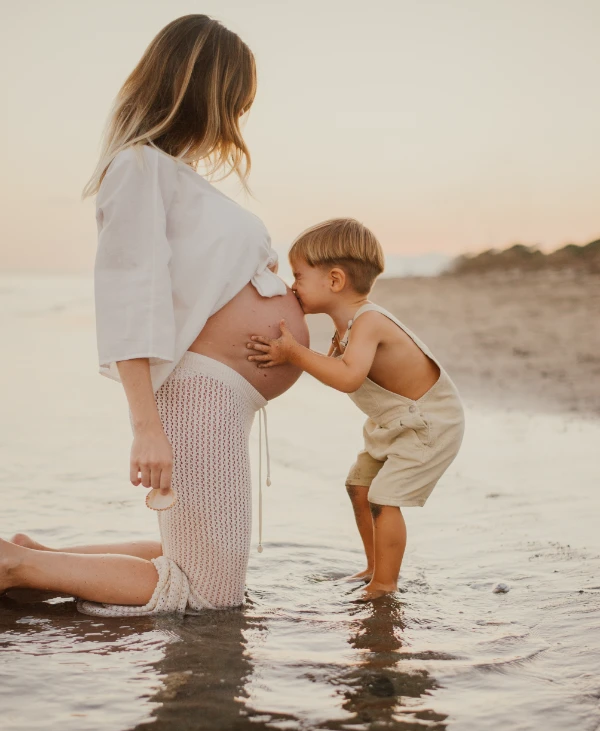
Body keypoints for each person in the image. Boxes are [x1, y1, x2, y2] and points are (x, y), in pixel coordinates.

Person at [0, 15, 309, 614]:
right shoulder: (138, 168)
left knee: (192, 559)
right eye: (235, 100)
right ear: (203, 90)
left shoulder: (176, 177)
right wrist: (146, 426)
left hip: (221, 397)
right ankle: (20, 566)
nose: (237, 117)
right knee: (207, 594)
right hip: (199, 393)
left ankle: (30, 557)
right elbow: (128, 296)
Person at [247, 218, 465, 599]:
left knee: (384, 497)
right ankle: (373, 566)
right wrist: (294, 357)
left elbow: (347, 378)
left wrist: (295, 353)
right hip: (393, 423)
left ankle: (386, 584)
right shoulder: (345, 329)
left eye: (298, 275)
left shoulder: (370, 322)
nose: (292, 286)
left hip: (428, 424)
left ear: (334, 280)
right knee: (359, 485)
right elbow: (338, 375)